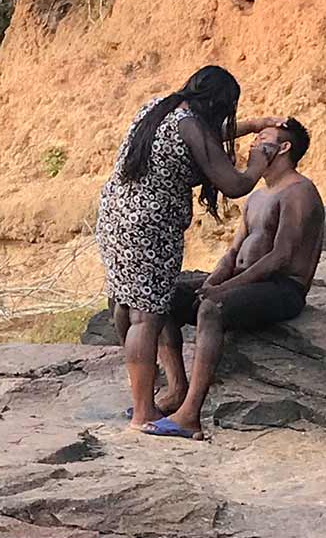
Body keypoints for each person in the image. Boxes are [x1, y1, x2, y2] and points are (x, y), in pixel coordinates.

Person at [95, 65, 286, 431]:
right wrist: (257, 163)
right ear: (218, 102)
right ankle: (142, 412)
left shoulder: (162, 108)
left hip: (115, 214)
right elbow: (232, 183)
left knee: (126, 300)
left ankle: (157, 395)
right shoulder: (192, 125)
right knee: (145, 315)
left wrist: (253, 123)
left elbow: (209, 136)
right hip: (149, 224)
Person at [145, 119, 322, 440]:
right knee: (159, 296)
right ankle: (175, 390)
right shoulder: (256, 196)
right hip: (244, 284)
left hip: (282, 289)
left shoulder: (300, 191)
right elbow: (234, 251)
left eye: (263, 138)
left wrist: (222, 290)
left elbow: (280, 257)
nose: (253, 144)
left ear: (284, 148)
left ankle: (189, 416)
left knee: (211, 308)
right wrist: (211, 281)